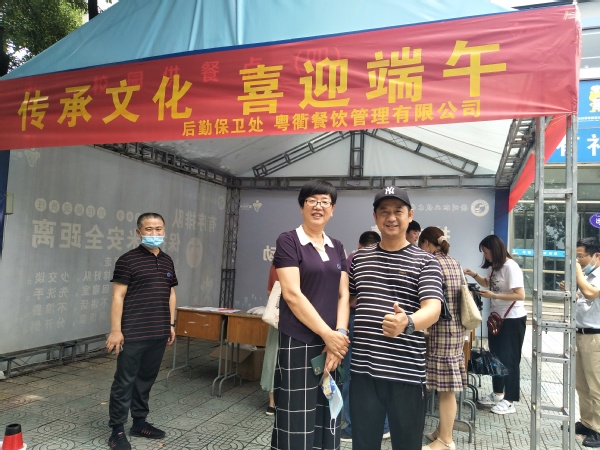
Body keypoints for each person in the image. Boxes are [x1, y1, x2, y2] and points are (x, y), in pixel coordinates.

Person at [349, 186, 444, 450]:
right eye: (384, 211)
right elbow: (346, 300)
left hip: (407, 373)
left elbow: (433, 308)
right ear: (375, 216)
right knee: (363, 444)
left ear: (410, 215)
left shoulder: (426, 262)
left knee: (406, 445)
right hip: (364, 372)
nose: (391, 218)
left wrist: (408, 322)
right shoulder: (358, 259)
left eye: (398, 211)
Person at [271, 179, 350, 450]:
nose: (318, 206)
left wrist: (339, 335)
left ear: (333, 209)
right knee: (297, 413)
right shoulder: (289, 240)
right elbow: (292, 294)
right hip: (300, 340)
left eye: (325, 202)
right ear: (302, 206)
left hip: (332, 344)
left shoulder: (336, 246)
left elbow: (343, 295)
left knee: (328, 411)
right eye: (312, 201)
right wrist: (327, 334)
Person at [105, 212, 177, 450]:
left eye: (159, 229)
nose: (154, 233)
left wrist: (171, 324)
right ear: (138, 232)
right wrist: (116, 331)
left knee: (146, 380)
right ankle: (116, 431)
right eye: (149, 229)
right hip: (133, 333)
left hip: (158, 332)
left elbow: (171, 293)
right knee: (124, 382)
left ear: (164, 231)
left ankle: (139, 423)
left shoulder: (167, 260)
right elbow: (118, 296)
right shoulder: (127, 260)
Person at [464, 234, 526, 415]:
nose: (485, 255)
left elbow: (520, 295)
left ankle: (510, 400)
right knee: (496, 357)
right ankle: (498, 393)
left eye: (486, 251)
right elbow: (488, 283)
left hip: (512, 320)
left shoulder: (510, 267)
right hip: (497, 318)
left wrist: (495, 296)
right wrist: (474, 275)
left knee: (509, 359)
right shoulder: (495, 267)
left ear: (495, 249)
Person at [418, 227, 466, 450]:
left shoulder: (431, 263)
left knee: (446, 390)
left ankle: (446, 440)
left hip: (441, 331)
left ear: (427, 243)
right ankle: (441, 430)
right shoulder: (455, 262)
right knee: (446, 387)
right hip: (456, 330)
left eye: (421, 245)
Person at [340, 231, 391, 443]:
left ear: (359, 245)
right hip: (385, 323)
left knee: (352, 375)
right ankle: (384, 425)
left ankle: (352, 426)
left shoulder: (355, 258)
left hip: (357, 320)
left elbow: (344, 295)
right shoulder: (390, 257)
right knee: (380, 375)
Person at [560, 238, 600, 447]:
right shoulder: (588, 276)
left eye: (581, 256)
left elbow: (590, 293)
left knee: (596, 385)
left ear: (596, 256)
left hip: (596, 337)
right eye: (576, 256)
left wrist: (577, 274)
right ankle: (587, 422)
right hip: (582, 334)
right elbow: (584, 299)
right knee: (583, 385)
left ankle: (598, 429)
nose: (578, 260)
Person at [261, 262, 279, 416]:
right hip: (297, 321)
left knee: (273, 358)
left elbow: (269, 292)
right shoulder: (303, 265)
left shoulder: (275, 266)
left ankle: (272, 403)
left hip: (277, 320)